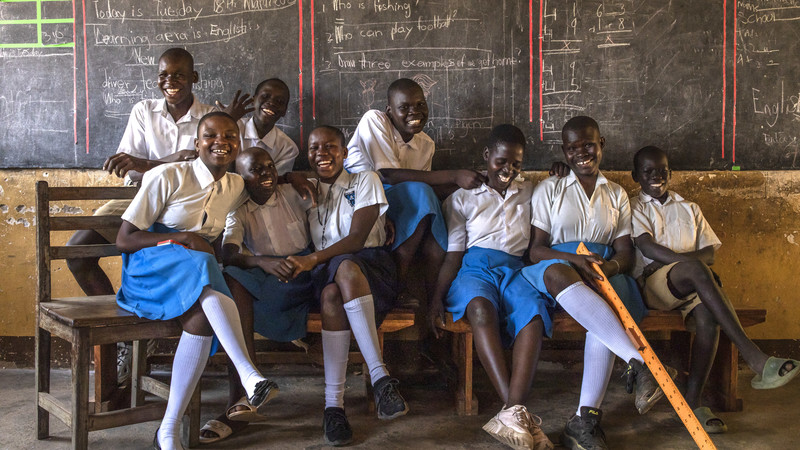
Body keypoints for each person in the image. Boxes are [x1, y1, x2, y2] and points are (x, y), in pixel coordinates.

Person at [65, 48, 249, 385]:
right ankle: (124, 335)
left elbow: (215, 167)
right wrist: (168, 160)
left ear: (194, 78)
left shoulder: (212, 118)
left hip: (184, 206)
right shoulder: (143, 110)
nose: (171, 81)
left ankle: (158, 316)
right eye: (164, 74)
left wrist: (155, 163)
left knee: (175, 244)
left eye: (179, 74)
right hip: (143, 196)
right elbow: (132, 169)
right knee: (79, 250)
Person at [114, 112, 278, 450]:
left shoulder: (234, 186)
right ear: (196, 143)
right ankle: (249, 374)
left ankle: (168, 432)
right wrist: (182, 238)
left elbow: (264, 188)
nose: (221, 142)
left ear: (239, 143)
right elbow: (125, 239)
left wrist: (293, 179)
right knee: (203, 259)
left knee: (203, 316)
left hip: (195, 275)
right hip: (150, 269)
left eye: (230, 135)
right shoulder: (167, 175)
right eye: (211, 136)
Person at [630, 145, 799, 433]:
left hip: (693, 285)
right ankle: (755, 356)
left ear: (670, 173)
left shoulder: (689, 207)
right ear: (636, 176)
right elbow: (647, 247)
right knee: (699, 272)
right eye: (648, 172)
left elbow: (709, 253)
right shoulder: (633, 206)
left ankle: (692, 404)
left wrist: (697, 271)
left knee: (709, 318)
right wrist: (695, 269)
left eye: (662, 171)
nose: (656, 176)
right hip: (654, 287)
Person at [521, 116, 663, 450]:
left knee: (607, 304)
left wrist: (608, 268)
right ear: (564, 153)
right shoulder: (549, 188)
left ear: (602, 144)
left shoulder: (616, 194)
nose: (582, 153)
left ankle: (584, 421)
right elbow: (536, 250)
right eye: (572, 148)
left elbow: (625, 252)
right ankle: (641, 362)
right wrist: (575, 260)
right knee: (559, 273)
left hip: (604, 273)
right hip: (558, 269)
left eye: (588, 144)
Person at [429, 125, 554, 450]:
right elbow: (454, 254)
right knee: (480, 310)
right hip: (474, 268)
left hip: (516, 269)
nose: (508, 170)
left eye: (516, 164)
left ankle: (512, 414)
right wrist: (436, 297)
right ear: (487, 157)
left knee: (534, 314)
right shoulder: (463, 197)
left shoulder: (531, 190)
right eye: (501, 161)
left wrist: (560, 171)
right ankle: (516, 411)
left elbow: (556, 192)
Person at [288, 126, 408, 446]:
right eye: (314, 148)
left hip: (371, 266)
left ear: (344, 152)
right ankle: (344, 402)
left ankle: (355, 391)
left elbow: (355, 240)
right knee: (330, 292)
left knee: (344, 272)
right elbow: (264, 179)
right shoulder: (306, 190)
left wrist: (312, 260)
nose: (322, 153)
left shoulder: (364, 179)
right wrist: (291, 176)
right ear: (307, 155)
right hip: (327, 271)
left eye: (331, 147)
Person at [195, 147, 316, 443]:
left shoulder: (293, 194)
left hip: (307, 271)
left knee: (237, 297)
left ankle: (241, 397)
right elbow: (229, 252)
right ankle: (242, 394)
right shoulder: (240, 207)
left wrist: (294, 176)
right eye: (256, 171)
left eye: (270, 167)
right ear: (241, 179)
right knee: (230, 280)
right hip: (270, 274)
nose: (266, 175)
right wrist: (263, 262)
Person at [345, 78, 485, 308]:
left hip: (403, 201)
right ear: (389, 110)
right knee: (421, 195)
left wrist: (476, 181)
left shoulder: (426, 144)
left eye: (420, 105)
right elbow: (388, 175)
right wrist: (454, 175)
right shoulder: (375, 120)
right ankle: (399, 283)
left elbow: (425, 187)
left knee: (434, 207)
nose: (415, 112)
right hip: (359, 201)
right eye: (404, 107)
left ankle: (435, 300)